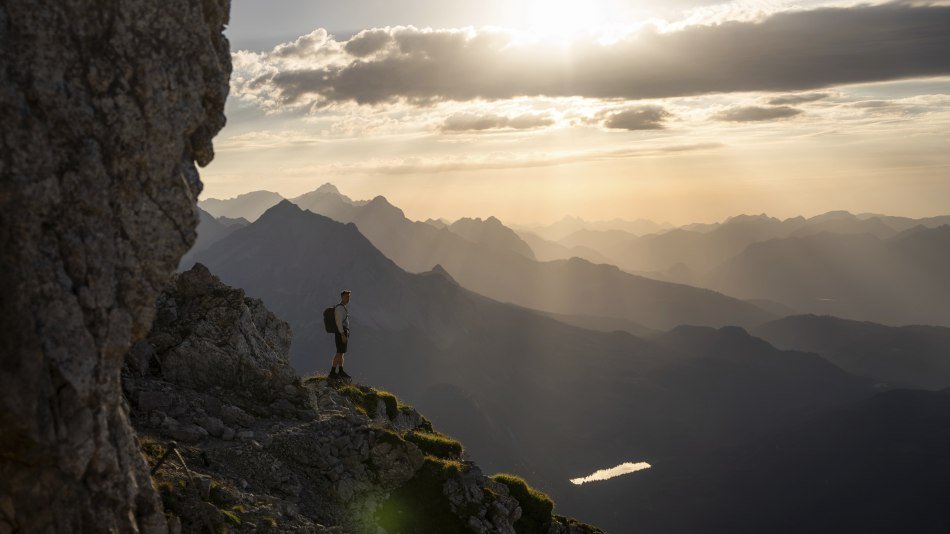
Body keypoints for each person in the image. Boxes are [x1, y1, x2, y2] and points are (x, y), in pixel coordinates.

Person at [328, 290, 351, 381]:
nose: (348, 299)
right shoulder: (339, 308)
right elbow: (338, 322)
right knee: (339, 352)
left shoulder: (343, 308)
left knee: (341, 352)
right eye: (346, 297)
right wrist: (342, 334)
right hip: (340, 332)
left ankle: (341, 371)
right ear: (342, 297)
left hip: (343, 332)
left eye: (349, 297)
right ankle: (332, 372)